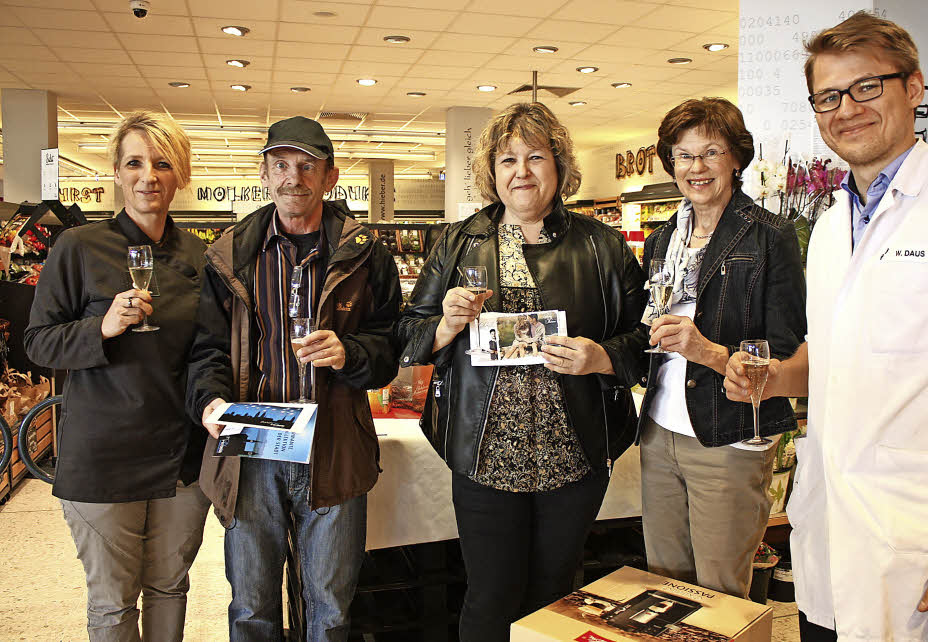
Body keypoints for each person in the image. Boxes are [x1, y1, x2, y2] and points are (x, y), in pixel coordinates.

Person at [724, 12, 928, 640]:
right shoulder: (833, 224)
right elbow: (832, 350)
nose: (846, 109)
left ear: (913, 88)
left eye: (867, 87)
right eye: (828, 96)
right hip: (831, 546)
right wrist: (775, 378)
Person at [396, 102, 648, 642]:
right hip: (484, 452)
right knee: (489, 595)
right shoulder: (461, 241)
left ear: (559, 166)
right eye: (508, 159)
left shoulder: (600, 246)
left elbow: (645, 337)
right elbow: (407, 334)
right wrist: (444, 325)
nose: (522, 172)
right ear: (493, 170)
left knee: (556, 594)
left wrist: (601, 357)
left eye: (536, 157)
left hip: (574, 452)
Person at [186, 116, 402, 640]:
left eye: (307, 166)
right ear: (263, 173)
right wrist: (210, 401)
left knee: (329, 608)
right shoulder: (231, 255)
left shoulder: (366, 252)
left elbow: (392, 343)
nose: (293, 178)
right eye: (281, 165)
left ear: (329, 178)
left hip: (333, 444)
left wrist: (349, 352)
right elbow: (206, 349)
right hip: (252, 447)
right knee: (252, 607)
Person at [24, 111, 210, 641]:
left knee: (171, 587)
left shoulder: (202, 257)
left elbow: (210, 353)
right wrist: (101, 327)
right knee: (112, 603)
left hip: (181, 457)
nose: (148, 175)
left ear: (181, 175)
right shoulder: (78, 248)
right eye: (134, 162)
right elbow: (38, 343)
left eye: (162, 163)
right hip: (103, 454)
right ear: (116, 172)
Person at [633, 98, 806, 599]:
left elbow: (787, 343)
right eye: (683, 155)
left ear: (736, 158)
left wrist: (706, 350)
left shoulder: (771, 235)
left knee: (720, 589)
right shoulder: (663, 238)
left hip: (727, 432)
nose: (696, 168)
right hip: (660, 428)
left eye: (710, 152)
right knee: (664, 581)